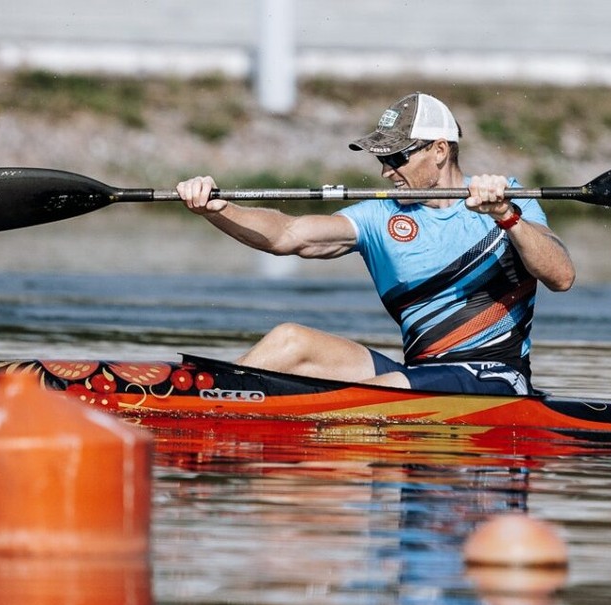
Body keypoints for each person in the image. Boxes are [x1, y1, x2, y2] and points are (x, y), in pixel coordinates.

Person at [176, 92, 575, 395]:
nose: (386, 172)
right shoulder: (378, 216)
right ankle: (205, 397)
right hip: (418, 375)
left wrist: (505, 215)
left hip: (496, 378)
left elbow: (561, 277)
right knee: (289, 339)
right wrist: (217, 209)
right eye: (381, 160)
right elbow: (288, 234)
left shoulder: (509, 198)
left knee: (386, 388)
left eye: (397, 157)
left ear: (439, 150)